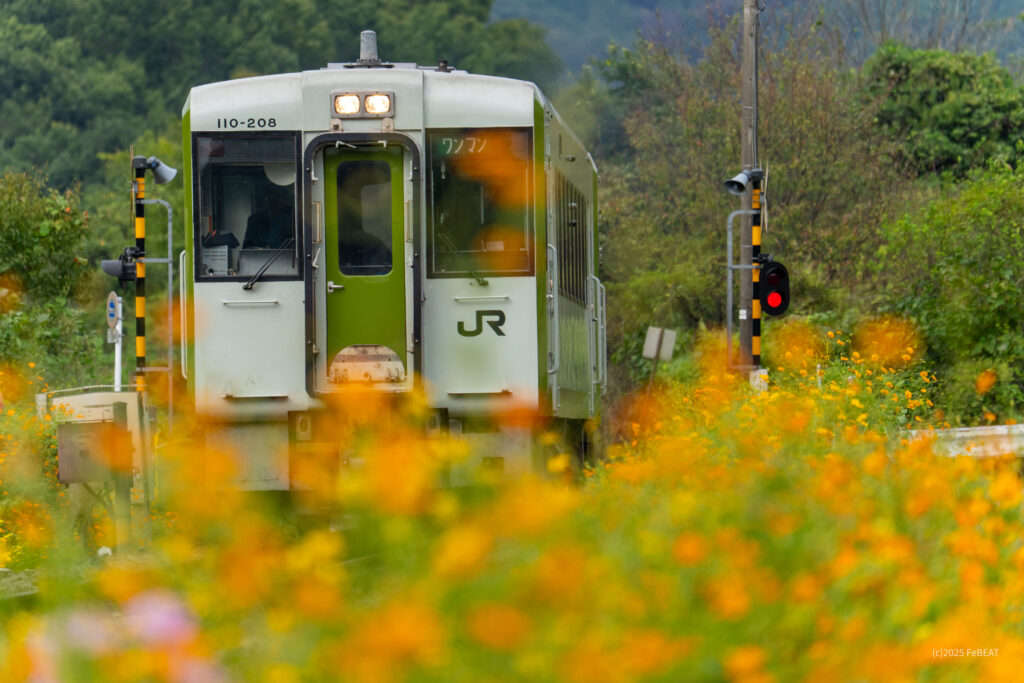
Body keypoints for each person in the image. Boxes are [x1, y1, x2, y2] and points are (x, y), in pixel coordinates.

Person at [243, 183, 294, 249]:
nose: (276, 199)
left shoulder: (293, 217)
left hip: (289, 255)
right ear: (266, 198)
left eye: (280, 195)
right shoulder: (254, 220)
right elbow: (247, 248)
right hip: (263, 256)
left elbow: (300, 243)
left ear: (285, 198)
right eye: (272, 194)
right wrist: (261, 249)